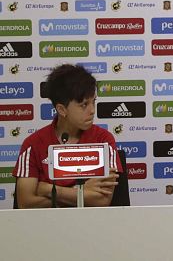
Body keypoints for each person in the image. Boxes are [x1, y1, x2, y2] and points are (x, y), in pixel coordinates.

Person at [13, 64, 120, 208]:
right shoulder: (33, 144)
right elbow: (26, 203)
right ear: (62, 110)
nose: (92, 110)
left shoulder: (104, 139)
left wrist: (49, 189)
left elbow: (101, 201)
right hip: (46, 227)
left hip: (92, 226)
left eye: (94, 101)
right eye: (84, 105)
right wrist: (82, 193)